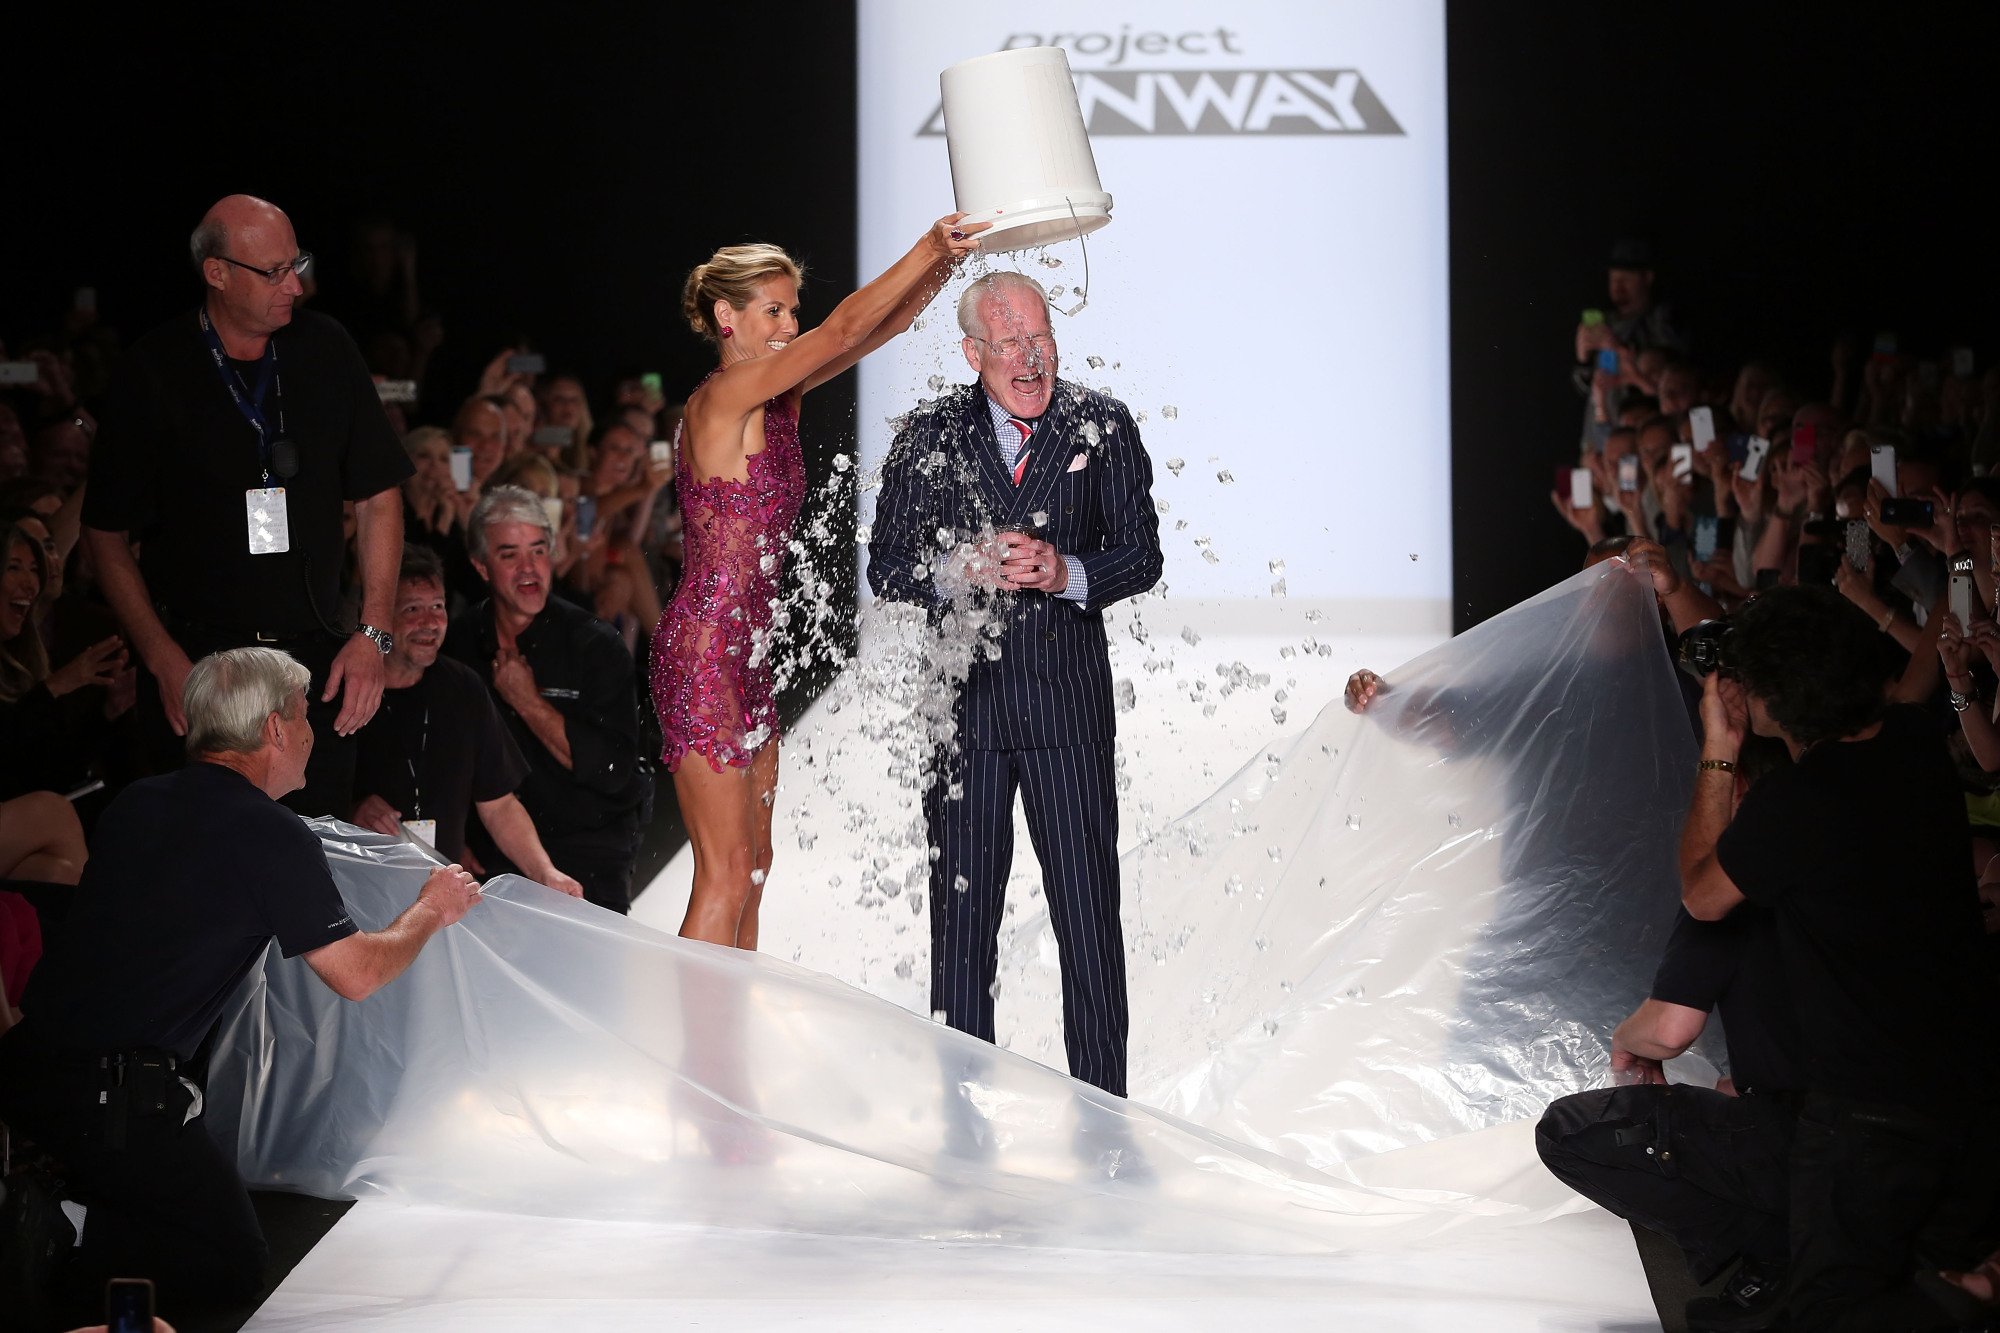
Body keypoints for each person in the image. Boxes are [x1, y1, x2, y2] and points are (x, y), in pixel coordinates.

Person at [0, 647, 480, 1318]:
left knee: (152, 1229)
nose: (312, 731)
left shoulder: (136, 801)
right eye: (306, 714)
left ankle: (73, 1227)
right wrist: (433, 907)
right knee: (226, 1263)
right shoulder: (268, 833)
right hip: (115, 1099)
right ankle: (50, 1256)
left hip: (33, 1067)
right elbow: (357, 973)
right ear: (275, 729)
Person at [866, 270, 1164, 1096]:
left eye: (1041, 340)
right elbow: (888, 566)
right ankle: (962, 1118)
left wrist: (1065, 568)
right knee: (963, 927)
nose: (1031, 360)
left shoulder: (1101, 424)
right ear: (972, 352)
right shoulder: (928, 435)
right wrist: (961, 567)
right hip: (964, 715)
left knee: (1087, 920)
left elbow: (1141, 554)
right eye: (1010, 345)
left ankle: (1104, 1112)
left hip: (1067, 709)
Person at [653, 214, 983, 950]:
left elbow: (879, 331)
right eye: (774, 310)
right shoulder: (722, 399)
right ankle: (688, 1057)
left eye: (793, 310)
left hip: (747, 656)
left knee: (757, 864)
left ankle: (728, 1040)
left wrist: (952, 265)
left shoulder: (778, 397)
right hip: (704, 652)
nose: (789, 324)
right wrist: (929, 243)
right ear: (725, 316)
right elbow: (838, 334)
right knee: (726, 871)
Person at [1681, 585, 2000, 1329]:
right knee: (1924, 1274)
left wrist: (1720, 749)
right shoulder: (1915, 743)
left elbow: (1702, 895)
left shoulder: (1796, 803)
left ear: (1766, 700)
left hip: (1870, 1113)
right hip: (1971, 1082)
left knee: (1829, 1311)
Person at [79, 194, 412, 817]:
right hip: (201, 662)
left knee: (315, 862)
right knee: (204, 863)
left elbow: (378, 493)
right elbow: (104, 533)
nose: (297, 284)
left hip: (315, 658)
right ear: (217, 272)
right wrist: (161, 657)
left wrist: (374, 633)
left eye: (298, 263)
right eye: (276, 271)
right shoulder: (154, 369)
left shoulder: (326, 347)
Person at [445, 487, 648, 913]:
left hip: (588, 848)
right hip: (490, 852)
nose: (528, 569)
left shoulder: (595, 644)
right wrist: (453, 837)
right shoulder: (457, 643)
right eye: (509, 555)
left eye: (538, 551)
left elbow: (612, 770)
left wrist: (527, 700)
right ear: (481, 566)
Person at [351, 546, 583, 897]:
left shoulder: (463, 687)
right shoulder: (345, 687)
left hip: (439, 898)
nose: (429, 623)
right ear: (378, 615)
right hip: (358, 890)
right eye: (412, 609)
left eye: (438, 607)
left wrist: (545, 872)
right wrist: (350, 808)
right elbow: (297, 797)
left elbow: (499, 804)